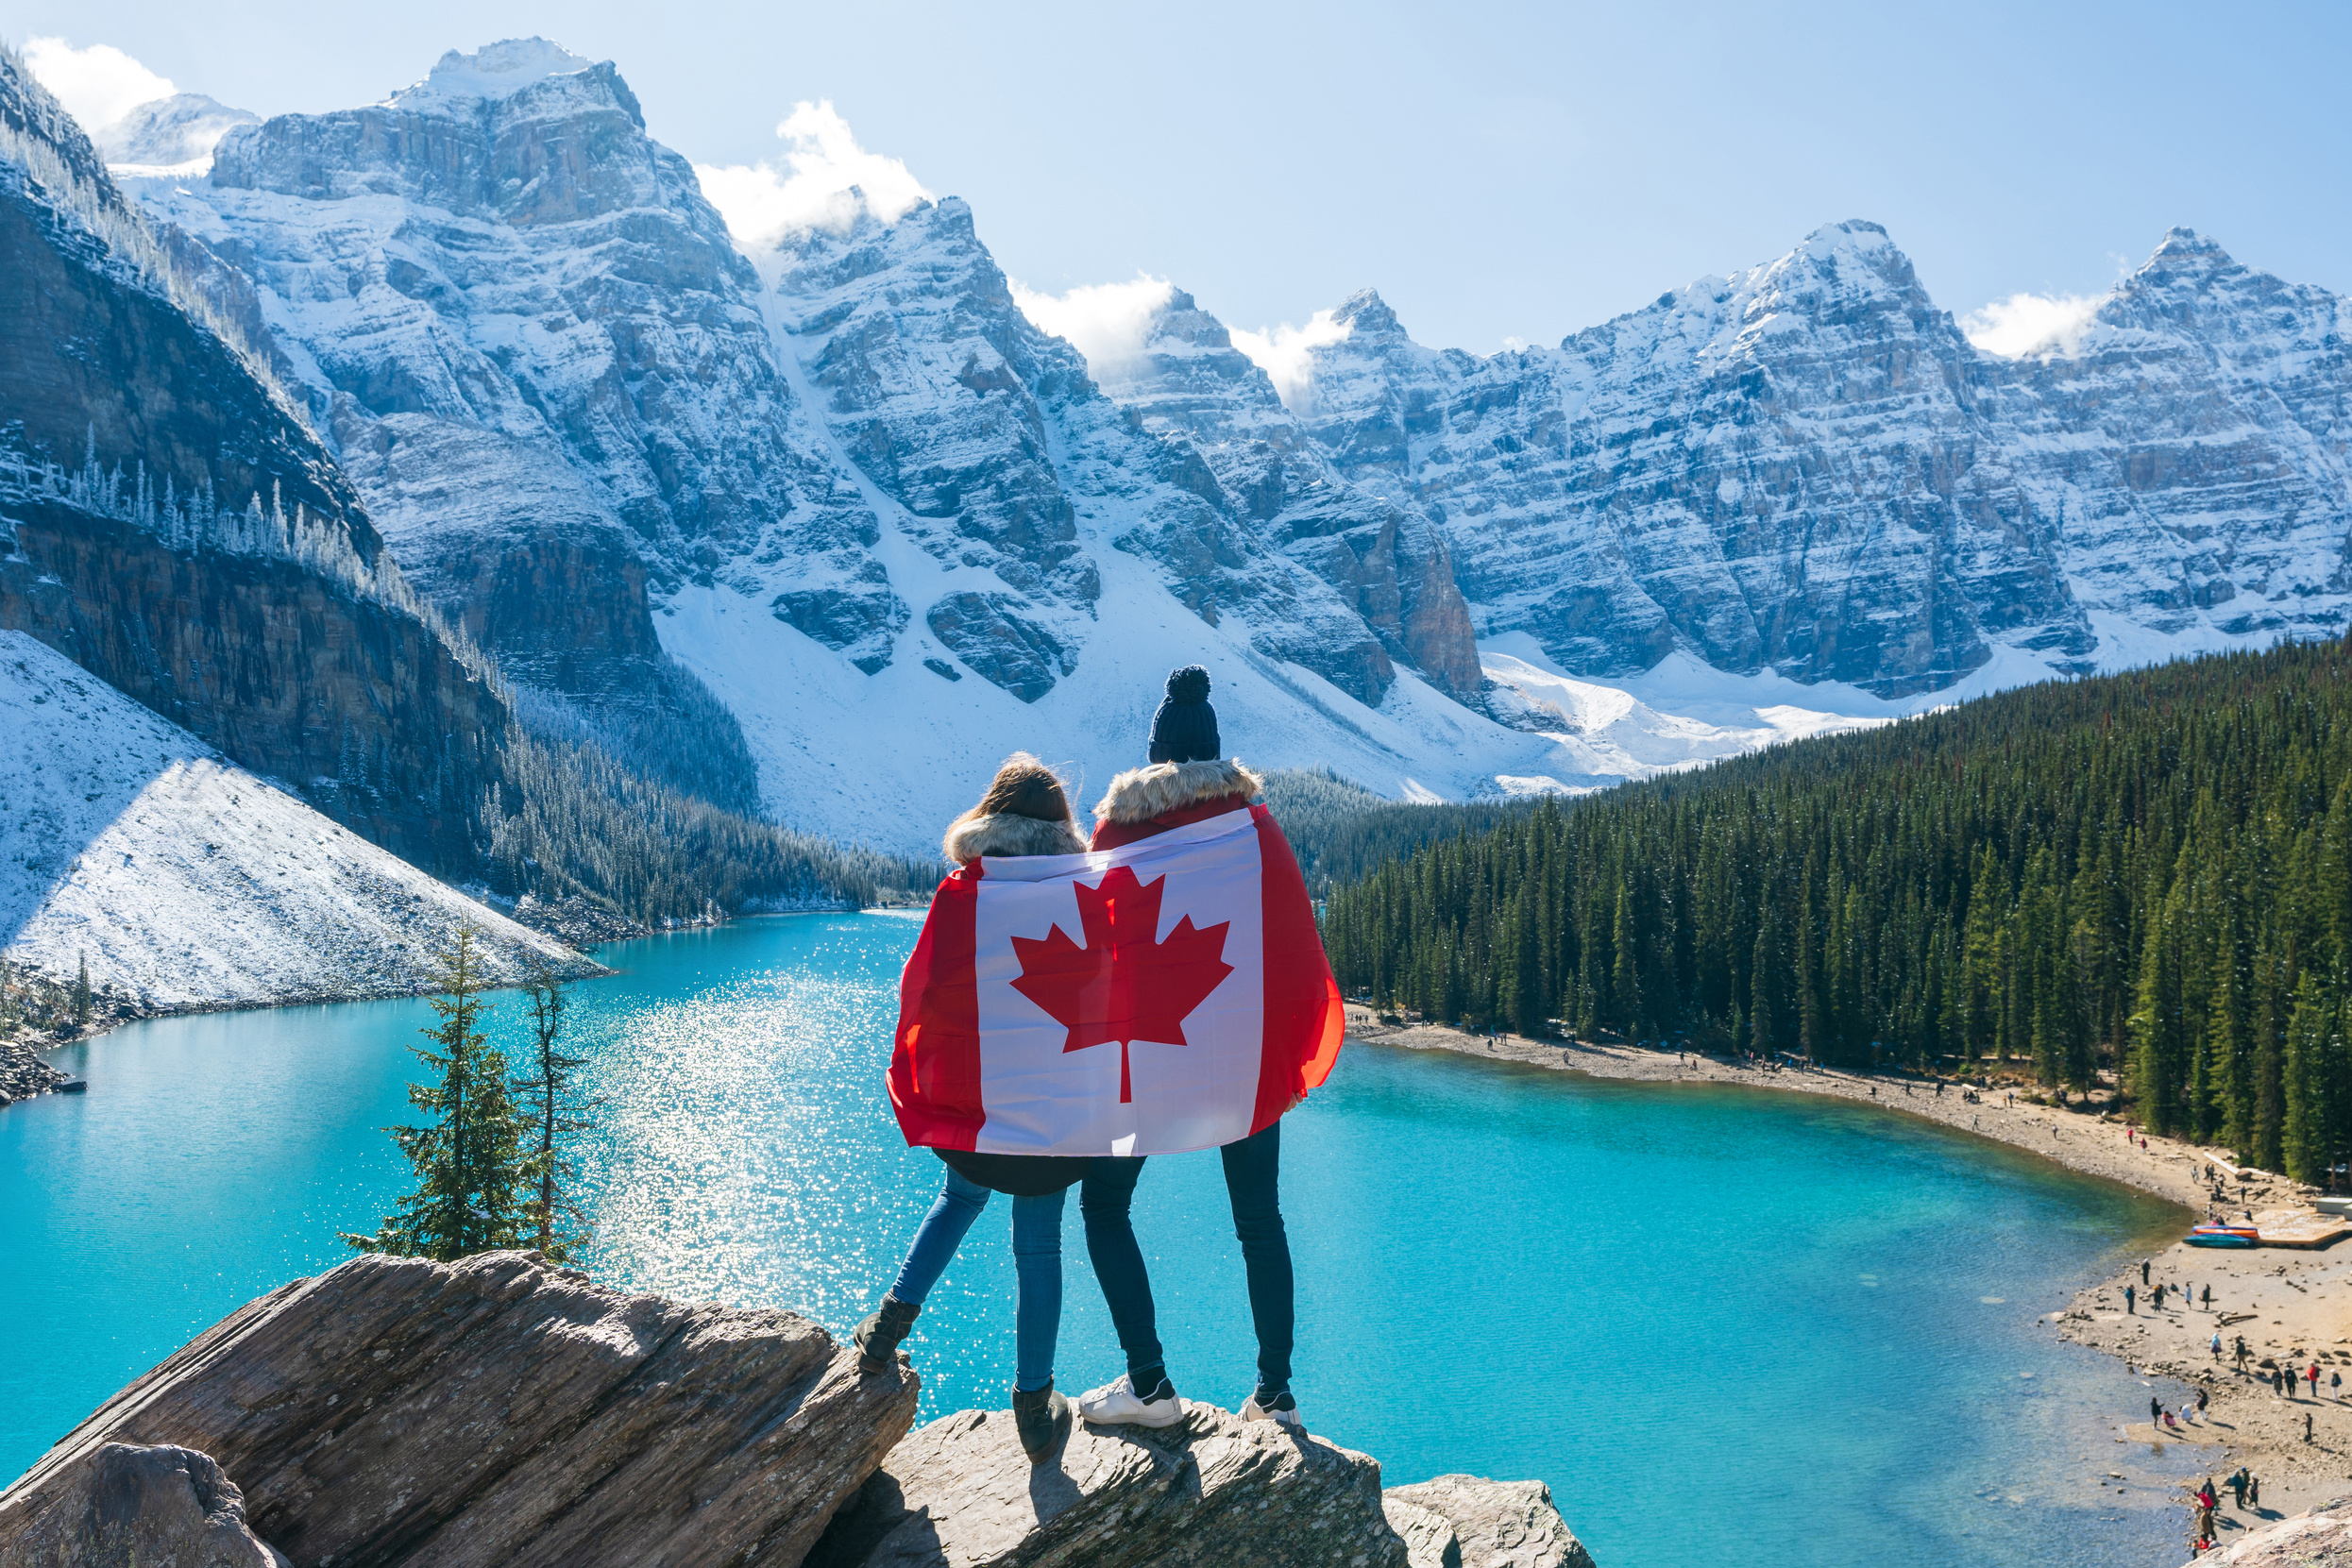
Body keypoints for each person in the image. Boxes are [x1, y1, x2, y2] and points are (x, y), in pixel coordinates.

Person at [1074, 666, 1320, 1433]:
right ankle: (1275, 1397)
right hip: (1236, 1050)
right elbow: (1290, 934)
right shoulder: (1252, 825)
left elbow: (1089, 932)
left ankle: (1149, 1386)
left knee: (1104, 1205)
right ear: (1214, 750)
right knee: (1258, 1221)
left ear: (1153, 754)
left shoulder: (1118, 827)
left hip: (1144, 1050)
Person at [853, 754, 1093, 1463]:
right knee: (1039, 1246)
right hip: (1051, 1113)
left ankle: (883, 1331)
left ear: (989, 818)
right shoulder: (1081, 894)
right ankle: (1032, 1404)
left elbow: (922, 989)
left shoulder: (964, 891)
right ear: (1060, 827)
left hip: (979, 1109)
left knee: (957, 1199)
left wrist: (926, 1078)